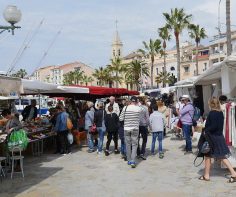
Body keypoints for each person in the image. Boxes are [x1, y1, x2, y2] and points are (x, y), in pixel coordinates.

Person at [199, 97, 236, 183]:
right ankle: (206, 175)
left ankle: (233, 174)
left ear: (211, 104)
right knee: (209, 155)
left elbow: (213, 126)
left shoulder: (212, 113)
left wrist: (205, 130)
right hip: (218, 136)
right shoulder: (220, 113)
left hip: (212, 137)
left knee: (219, 155)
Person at [119, 96, 141, 168]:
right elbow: (140, 118)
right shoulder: (138, 108)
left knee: (128, 144)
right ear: (136, 101)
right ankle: (133, 160)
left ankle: (128, 160)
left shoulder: (125, 108)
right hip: (135, 128)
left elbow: (121, 118)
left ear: (131, 101)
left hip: (127, 128)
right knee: (134, 145)